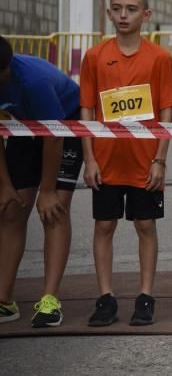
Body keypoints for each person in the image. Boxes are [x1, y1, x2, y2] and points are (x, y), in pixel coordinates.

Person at [80, 0, 172, 326]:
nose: (123, 15)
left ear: (145, 14)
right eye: (117, 8)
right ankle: (105, 297)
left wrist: (160, 159)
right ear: (108, 12)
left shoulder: (160, 58)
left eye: (131, 9)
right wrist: (89, 159)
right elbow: (87, 110)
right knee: (103, 225)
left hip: (145, 161)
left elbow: (167, 111)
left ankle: (145, 296)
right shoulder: (94, 56)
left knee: (145, 225)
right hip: (106, 161)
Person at [0, 35, 82, 328]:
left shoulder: (33, 81)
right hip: (23, 127)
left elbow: (55, 135)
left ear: (5, 72)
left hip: (65, 125)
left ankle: (50, 301)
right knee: (11, 210)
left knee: (53, 210)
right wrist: (5, 185)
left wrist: (47, 191)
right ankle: (4, 301)